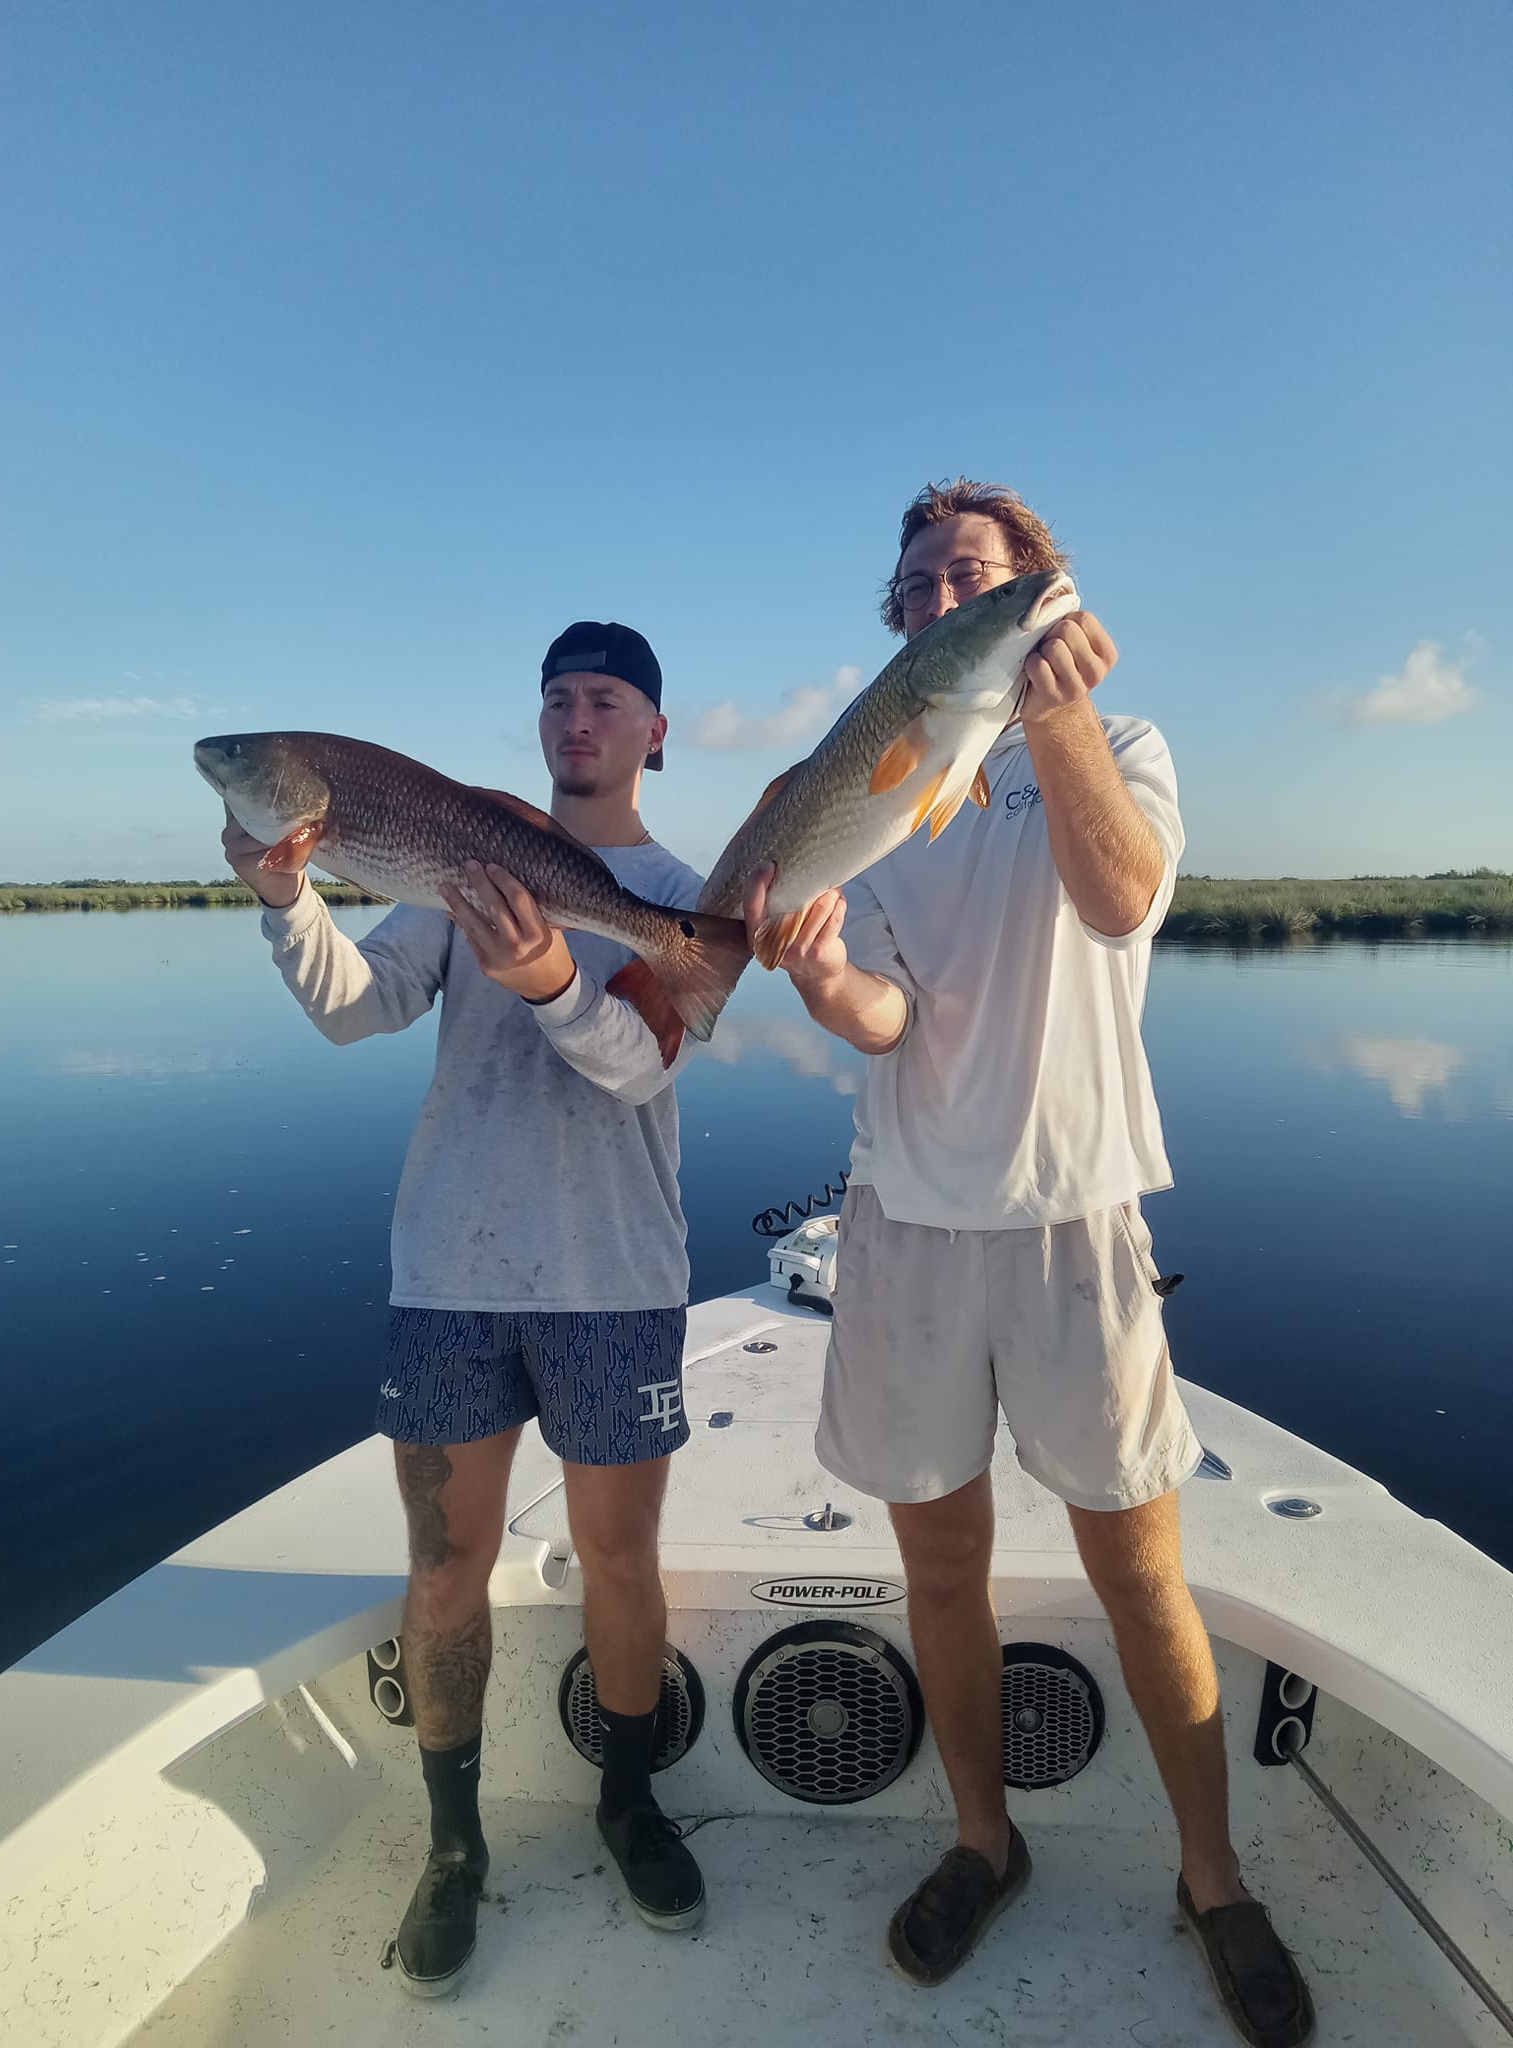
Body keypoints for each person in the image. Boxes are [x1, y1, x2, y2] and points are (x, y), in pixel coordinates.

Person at [743, 482, 1315, 2048]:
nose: (943, 596)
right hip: (908, 1223)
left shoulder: (1122, 749)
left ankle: (1213, 1877)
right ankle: (984, 1840)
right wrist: (827, 979)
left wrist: (1055, 722)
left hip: (1076, 1214)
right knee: (941, 1566)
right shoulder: (882, 791)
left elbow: (1124, 895)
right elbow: (890, 1020)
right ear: (898, 619)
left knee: (1141, 1572)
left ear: (1041, 597)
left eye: (977, 575)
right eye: (919, 580)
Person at [222, 622, 709, 1998]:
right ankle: (453, 1845)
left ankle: (628, 1799)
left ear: (655, 733)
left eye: (606, 701)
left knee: (622, 1563)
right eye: (557, 700)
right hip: (449, 1275)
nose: (576, 721)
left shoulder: (681, 899)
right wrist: (284, 903)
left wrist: (552, 981)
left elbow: (638, 1071)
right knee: (443, 1568)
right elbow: (357, 1012)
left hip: (614, 1277)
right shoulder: (460, 870)